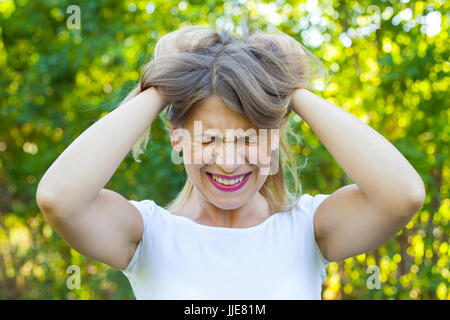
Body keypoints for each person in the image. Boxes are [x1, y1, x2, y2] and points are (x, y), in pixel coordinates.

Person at [36, 25, 426, 300]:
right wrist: (162, 87)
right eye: (208, 138)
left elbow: (402, 195)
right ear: (178, 137)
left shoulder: (309, 228)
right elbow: (59, 198)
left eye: (248, 138)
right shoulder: (148, 235)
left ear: (274, 138)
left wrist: (291, 88)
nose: (227, 162)